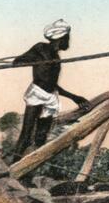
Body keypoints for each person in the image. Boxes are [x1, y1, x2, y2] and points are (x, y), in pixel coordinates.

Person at [11, 19, 90, 160]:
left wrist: (74, 97)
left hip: (51, 97)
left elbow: (52, 84)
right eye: (67, 38)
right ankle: (13, 165)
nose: (68, 42)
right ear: (60, 38)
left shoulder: (57, 58)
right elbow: (17, 62)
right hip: (36, 94)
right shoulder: (40, 48)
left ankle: (28, 168)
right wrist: (35, 60)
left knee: (41, 137)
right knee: (26, 134)